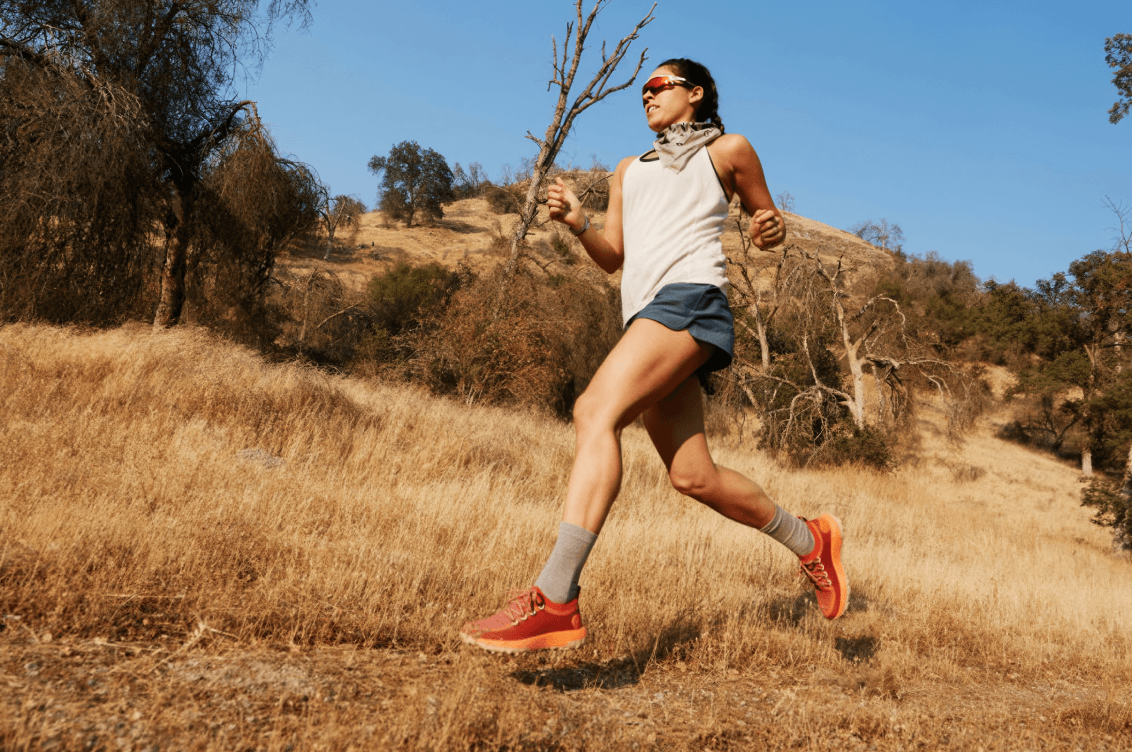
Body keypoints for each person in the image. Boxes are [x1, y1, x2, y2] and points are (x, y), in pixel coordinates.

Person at [459, 58, 848, 654]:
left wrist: (770, 230)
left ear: (695, 93)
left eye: (658, 86)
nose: (646, 96)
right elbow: (614, 255)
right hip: (647, 313)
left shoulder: (728, 149)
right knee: (693, 476)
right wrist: (578, 224)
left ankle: (555, 598)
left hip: (691, 300)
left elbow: (765, 222)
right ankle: (810, 540)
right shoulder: (627, 170)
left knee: (594, 412)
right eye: (642, 91)